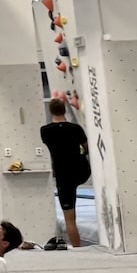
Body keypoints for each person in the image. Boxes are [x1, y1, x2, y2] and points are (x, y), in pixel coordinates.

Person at [39, 95, 90, 248]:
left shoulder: (45, 131)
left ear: (50, 110)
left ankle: (77, 248)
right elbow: (87, 148)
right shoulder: (76, 128)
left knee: (69, 219)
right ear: (65, 109)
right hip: (81, 169)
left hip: (63, 174)